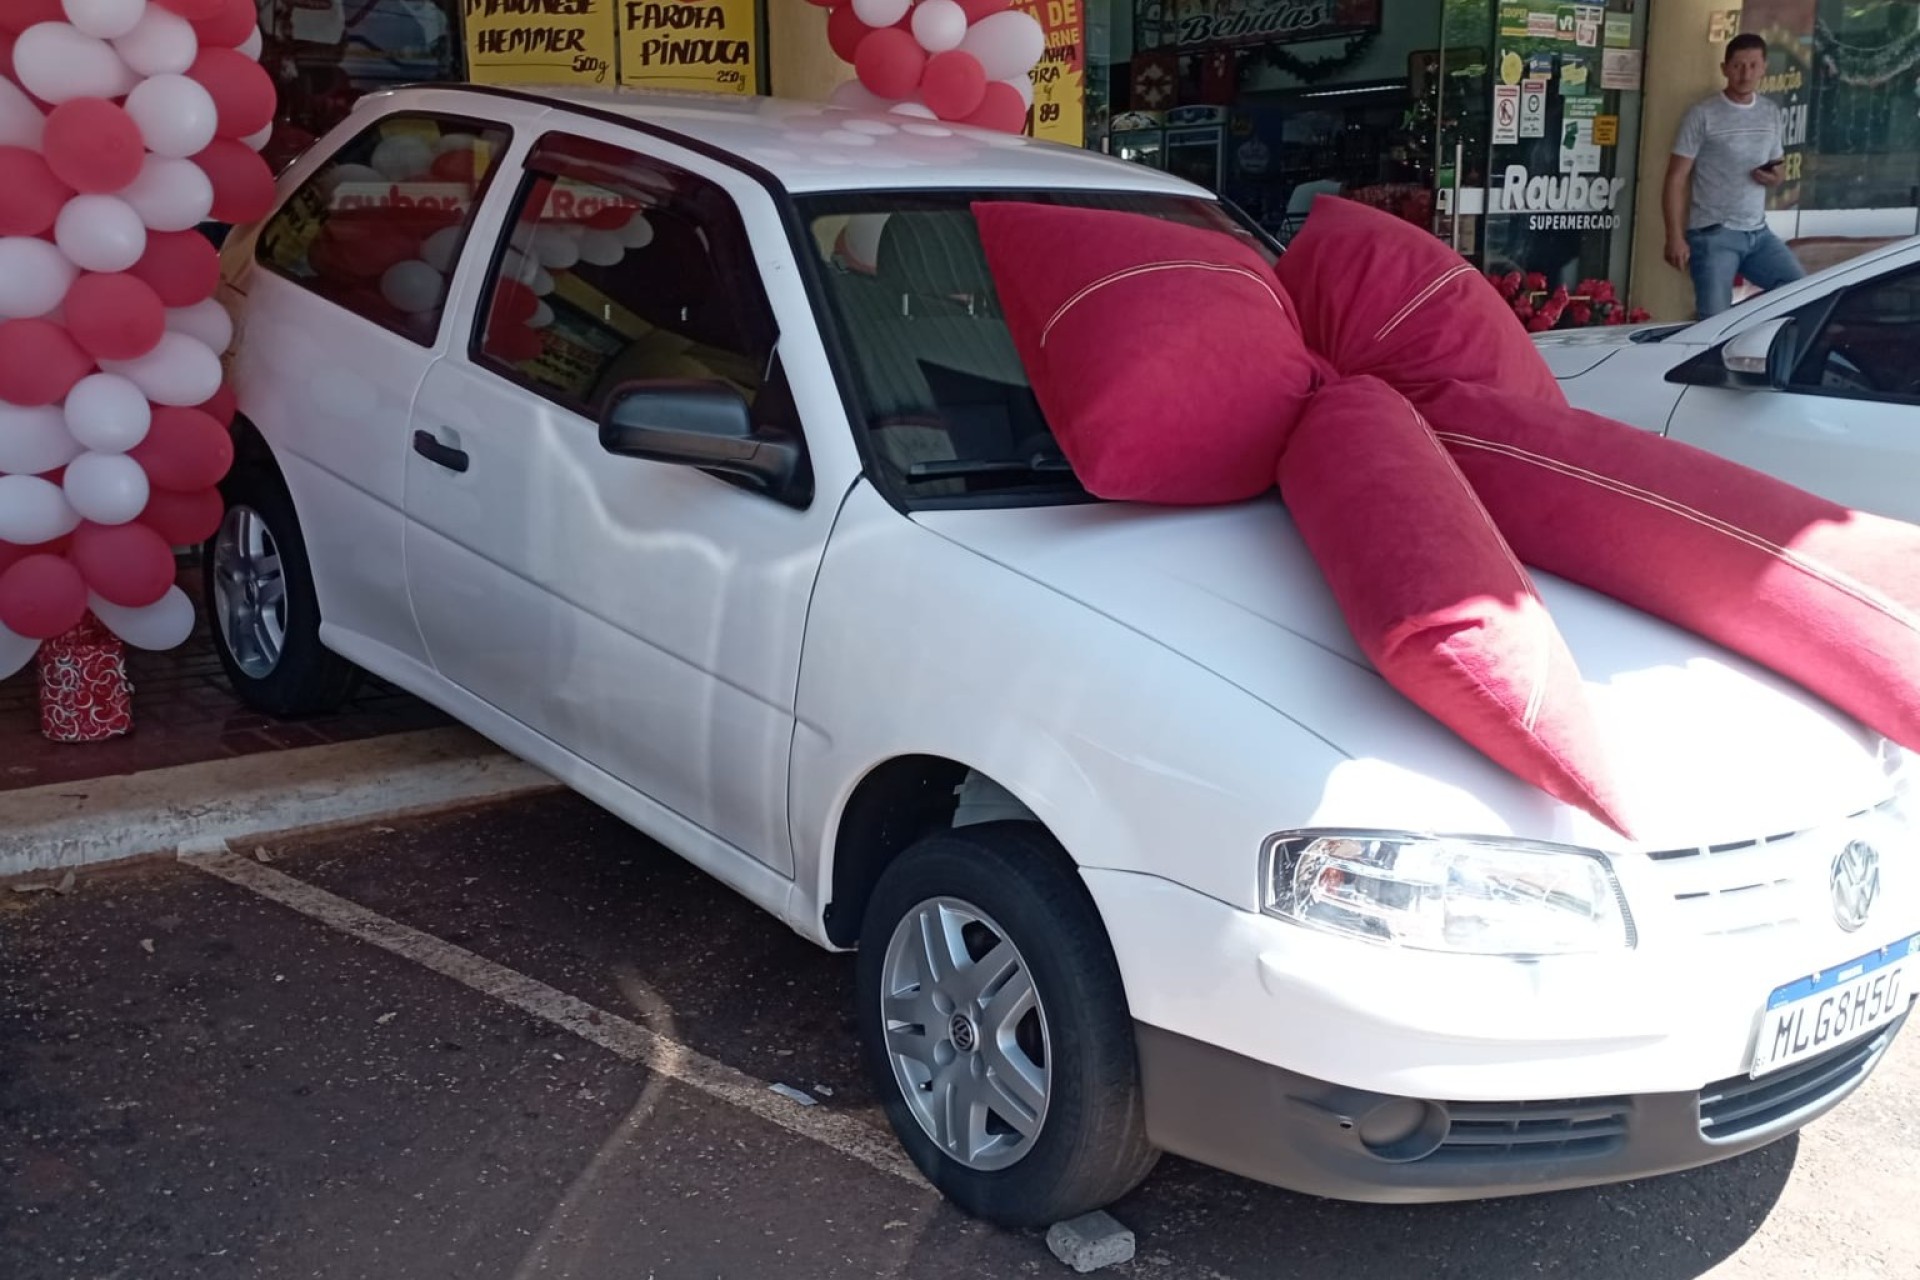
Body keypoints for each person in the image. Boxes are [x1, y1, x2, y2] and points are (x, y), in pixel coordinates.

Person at [1662, 33, 1805, 317]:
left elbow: (1778, 170)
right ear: (1724, 68)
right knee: (1714, 319)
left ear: (1764, 68)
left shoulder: (1770, 112)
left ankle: (1754, 344)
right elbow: (1676, 178)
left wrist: (1772, 178)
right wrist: (1674, 237)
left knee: (1799, 291)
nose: (1745, 73)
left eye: (1753, 65)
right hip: (1713, 233)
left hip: (1758, 231)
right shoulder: (1702, 114)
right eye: (1738, 65)